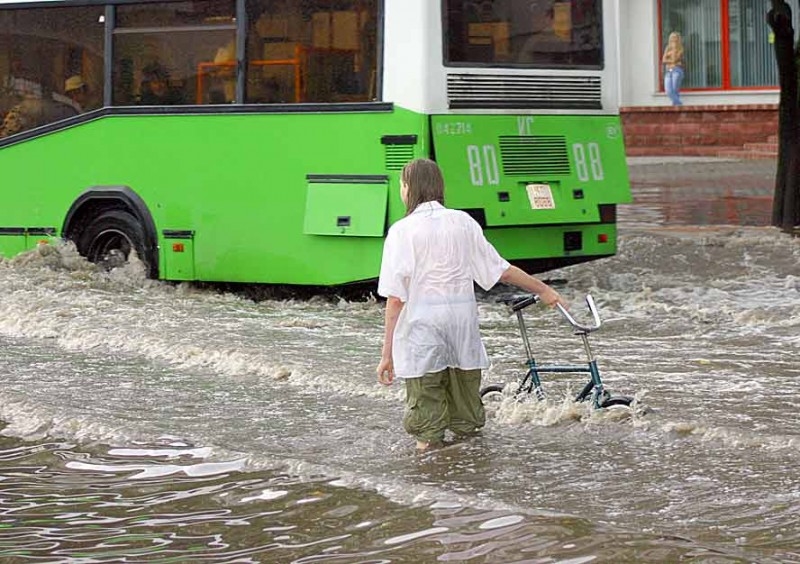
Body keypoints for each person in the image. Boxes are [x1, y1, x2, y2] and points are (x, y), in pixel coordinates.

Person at [375, 158, 567, 452]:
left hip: (421, 333)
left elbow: (395, 299)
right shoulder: (463, 222)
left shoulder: (402, 231)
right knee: (467, 419)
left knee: (427, 423)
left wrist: (386, 354)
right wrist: (543, 289)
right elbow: (500, 269)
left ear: (409, 188)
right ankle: (472, 477)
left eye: (402, 184)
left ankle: (433, 487)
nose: (401, 190)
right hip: (461, 331)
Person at [662, 31, 685, 106]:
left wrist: (673, 51)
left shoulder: (680, 48)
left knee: (675, 90)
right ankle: (679, 104)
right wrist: (671, 61)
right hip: (668, 71)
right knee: (668, 91)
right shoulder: (667, 48)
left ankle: (676, 105)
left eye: (675, 38)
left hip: (677, 71)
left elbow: (675, 59)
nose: (673, 39)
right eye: (672, 38)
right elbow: (663, 60)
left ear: (678, 39)